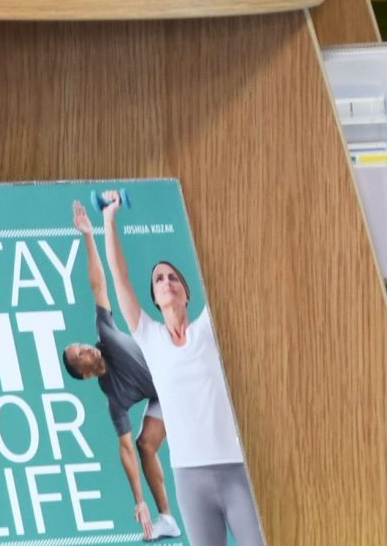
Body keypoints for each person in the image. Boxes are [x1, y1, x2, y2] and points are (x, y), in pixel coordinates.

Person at [98, 192, 264, 546]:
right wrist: (109, 219)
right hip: (189, 479)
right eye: (159, 279)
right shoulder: (150, 338)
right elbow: (119, 278)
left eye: (173, 278)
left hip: (235, 469)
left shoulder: (209, 330)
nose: (166, 282)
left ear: (187, 294)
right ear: (155, 299)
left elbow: (233, 271)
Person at [67, 201, 182, 541]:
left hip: (178, 371)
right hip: (164, 393)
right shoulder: (114, 398)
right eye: (80, 354)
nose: (86, 347)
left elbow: (98, 286)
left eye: (81, 344)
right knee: (144, 445)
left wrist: (88, 235)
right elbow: (126, 449)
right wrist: (138, 501)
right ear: (86, 373)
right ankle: (166, 519)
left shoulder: (105, 334)